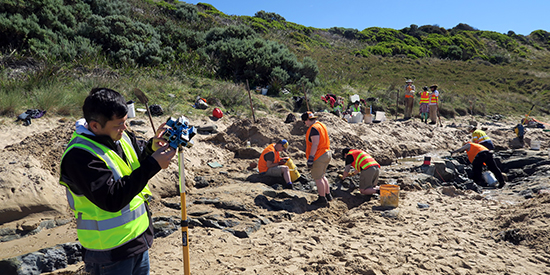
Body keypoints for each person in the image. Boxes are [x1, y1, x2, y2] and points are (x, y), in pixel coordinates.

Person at [59, 88, 177, 275]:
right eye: (118, 125)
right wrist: (154, 164)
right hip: (109, 253)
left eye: (125, 122)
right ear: (95, 126)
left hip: (137, 242)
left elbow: (135, 164)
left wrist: (151, 149)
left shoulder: (121, 137)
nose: (124, 128)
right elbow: (112, 199)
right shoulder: (80, 156)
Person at [301, 111, 332, 206]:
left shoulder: (313, 129)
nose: (305, 123)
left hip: (319, 155)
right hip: (327, 152)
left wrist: (311, 158)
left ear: (307, 120)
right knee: (322, 176)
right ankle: (328, 195)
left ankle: (322, 199)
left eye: (304, 121)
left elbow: (315, 143)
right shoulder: (320, 125)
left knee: (318, 178)